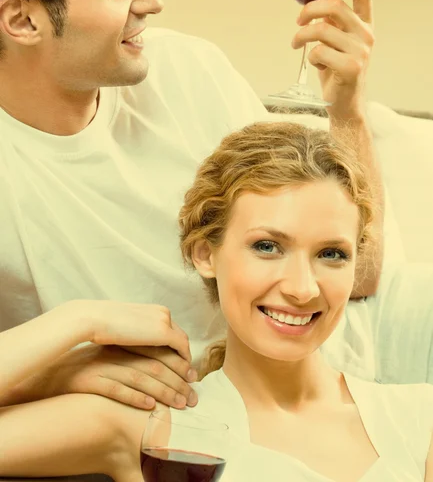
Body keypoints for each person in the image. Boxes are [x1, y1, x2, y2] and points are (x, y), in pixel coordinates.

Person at [0, 0, 382, 411]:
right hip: (158, 427)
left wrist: (346, 110)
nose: (153, 1)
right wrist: (50, 369)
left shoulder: (189, 73)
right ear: (22, 20)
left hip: (323, 395)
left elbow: (360, 274)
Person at [0, 122, 431, 482]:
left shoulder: (419, 416)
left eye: (332, 254)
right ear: (205, 253)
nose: (303, 288)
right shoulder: (155, 430)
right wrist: (78, 321)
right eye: (267, 246)